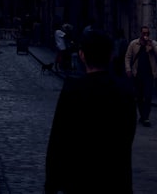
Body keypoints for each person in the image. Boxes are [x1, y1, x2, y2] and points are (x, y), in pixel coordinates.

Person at [45, 29, 136, 194]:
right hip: (116, 181)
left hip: (80, 181)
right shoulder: (124, 92)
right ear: (110, 56)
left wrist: (51, 184)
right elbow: (128, 137)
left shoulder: (73, 91)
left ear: (82, 55)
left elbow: (58, 140)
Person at [125, 25, 157, 127]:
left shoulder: (152, 43)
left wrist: (152, 47)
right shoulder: (134, 44)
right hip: (137, 74)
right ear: (140, 34)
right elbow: (128, 57)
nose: (145, 35)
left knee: (148, 96)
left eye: (147, 33)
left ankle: (146, 117)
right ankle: (142, 115)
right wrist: (128, 69)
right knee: (139, 96)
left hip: (149, 74)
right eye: (144, 33)